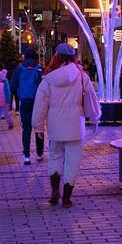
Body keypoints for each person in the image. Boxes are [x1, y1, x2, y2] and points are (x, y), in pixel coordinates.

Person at [32, 43, 101, 208]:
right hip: (75, 124)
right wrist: (94, 117)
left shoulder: (49, 79)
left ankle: (55, 191)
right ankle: (67, 197)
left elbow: (40, 104)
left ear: (57, 56)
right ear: (73, 57)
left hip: (55, 124)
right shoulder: (82, 76)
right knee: (73, 160)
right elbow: (91, 98)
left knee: (55, 156)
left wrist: (38, 127)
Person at [11, 49, 44, 165]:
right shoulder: (39, 69)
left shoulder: (19, 70)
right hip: (38, 102)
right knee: (39, 128)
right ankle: (39, 154)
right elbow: (43, 85)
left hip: (24, 102)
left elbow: (13, 86)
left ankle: (26, 156)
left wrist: (14, 99)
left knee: (26, 129)